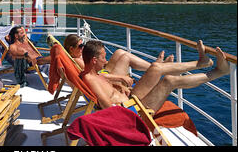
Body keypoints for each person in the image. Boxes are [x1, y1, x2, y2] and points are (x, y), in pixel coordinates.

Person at [80, 39, 230, 112]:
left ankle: (202, 62)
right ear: (94, 60)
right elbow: (108, 107)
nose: (106, 61)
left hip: (131, 98)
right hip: (132, 110)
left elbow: (107, 91)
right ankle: (218, 72)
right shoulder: (90, 78)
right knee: (169, 81)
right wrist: (123, 102)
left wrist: (119, 89)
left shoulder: (93, 73)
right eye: (103, 58)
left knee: (156, 67)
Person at [63, 34, 173, 90]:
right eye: (80, 46)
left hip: (103, 73)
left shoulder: (75, 57)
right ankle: (157, 68)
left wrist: (104, 62)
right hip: (104, 80)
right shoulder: (77, 60)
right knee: (125, 58)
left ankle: (157, 67)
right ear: (71, 49)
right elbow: (94, 77)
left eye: (84, 45)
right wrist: (121, 78)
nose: (83, 48)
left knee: (119, 52)